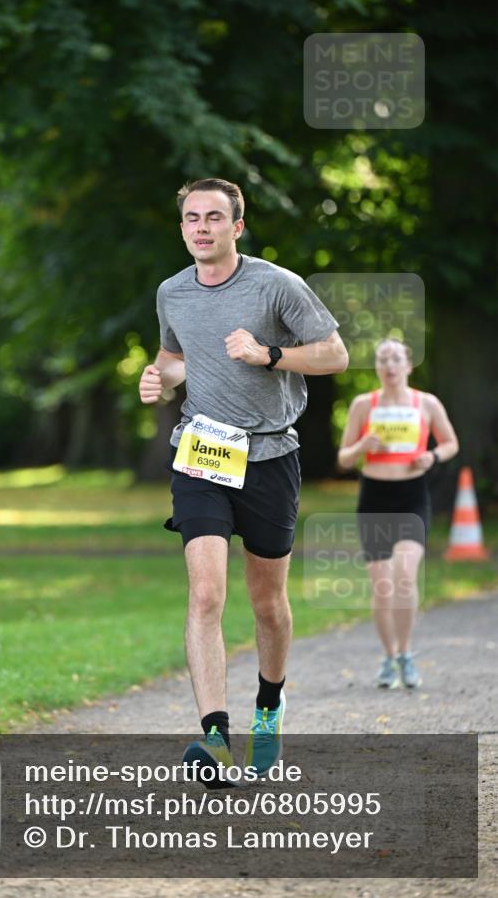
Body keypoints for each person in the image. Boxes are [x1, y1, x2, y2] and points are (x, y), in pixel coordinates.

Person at [138, 177, 348, 782]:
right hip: (203, 450)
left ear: (238, 226)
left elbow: (334, 355)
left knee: (267, 603)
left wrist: (269, 356)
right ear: (182, 227)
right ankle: (213, 738)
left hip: (270, 455)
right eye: (191, 219)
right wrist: (159, 378)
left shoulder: (277, 285)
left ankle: (268, 705)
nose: (201, 228)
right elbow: (175, 356)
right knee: (205, 595)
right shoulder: (172, 292)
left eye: (213, 218)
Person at [337, 338, 459, 689]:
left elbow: (451, 443)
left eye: (395, 359)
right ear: (377, 367)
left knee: (405, 576)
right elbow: (344, 458)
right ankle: (389, 657)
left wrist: (432, 456)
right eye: (382, 360)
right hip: (374, 499)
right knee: (383, 586)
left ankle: (406, 654)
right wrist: (363, 446)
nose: (389, 366)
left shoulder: (426, 403)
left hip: (411, 497)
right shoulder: (364, 404)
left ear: (408, 365)